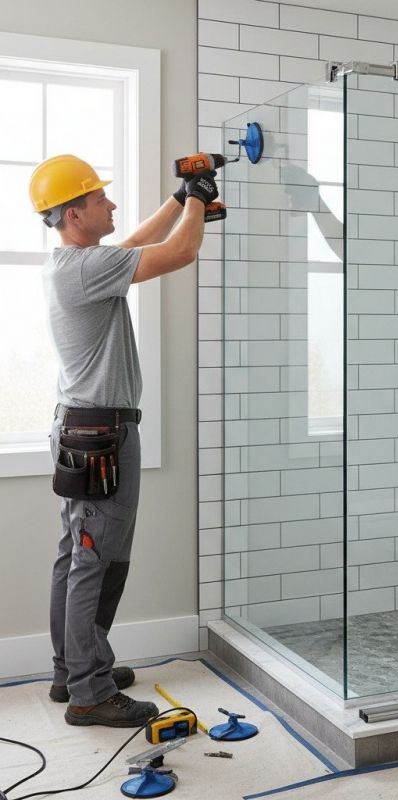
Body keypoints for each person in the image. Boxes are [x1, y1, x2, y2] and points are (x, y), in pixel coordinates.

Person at [28, 154, 218, 728]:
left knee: (78, 554)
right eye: (99, 199)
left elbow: (138, 242)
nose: (110, 204)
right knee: (95, 559)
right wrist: (198, 202)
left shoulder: (78, 262)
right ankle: (89, 691)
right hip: (100, 435)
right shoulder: (82, 269)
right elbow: (182, 252)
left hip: (88, 429)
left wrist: (182, 197)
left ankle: (75, 669)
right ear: (72, 212)